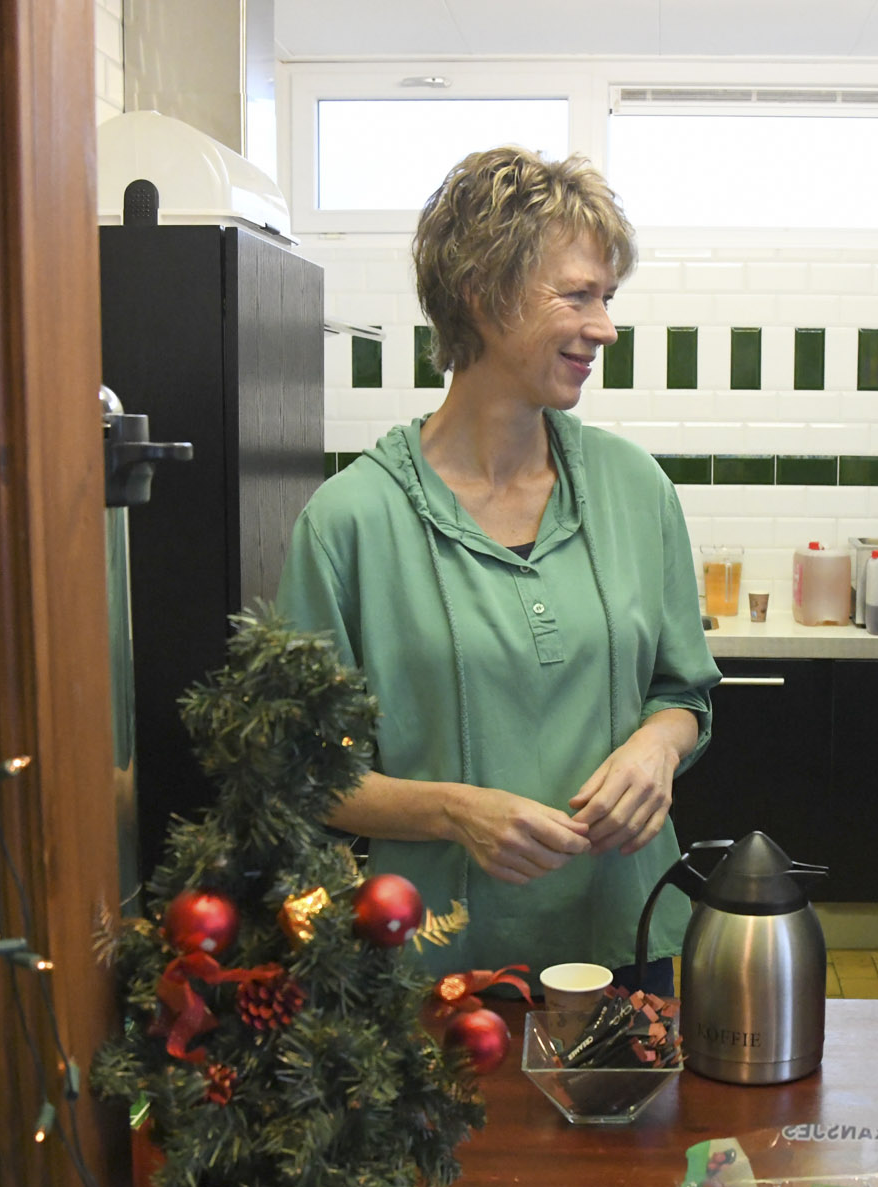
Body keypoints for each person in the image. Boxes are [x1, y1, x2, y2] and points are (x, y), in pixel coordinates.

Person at [275, 146, 719, 992]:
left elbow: (683, 694)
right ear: (483, 293)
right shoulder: (350, 521)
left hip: (627, 944)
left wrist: (656, 750)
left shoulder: (635, 490)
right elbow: (305, 775)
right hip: (437, 965)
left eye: (608, 297)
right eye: (577, 295)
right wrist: (454, 812)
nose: (604, 327)